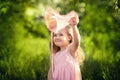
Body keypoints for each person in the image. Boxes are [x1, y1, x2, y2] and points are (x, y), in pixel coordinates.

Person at [44, 8, 85, 80]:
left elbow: (77, 42)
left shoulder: (70, 50)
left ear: (69, 38)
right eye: (55, 35)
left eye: (61, 35)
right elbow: (51, 71)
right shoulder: (55, 55)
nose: (57, 37)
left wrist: (74, 26)